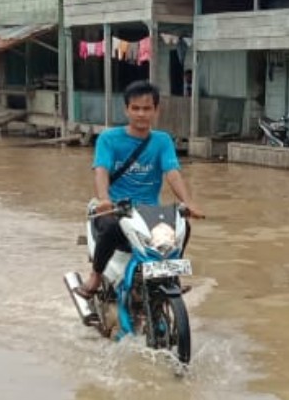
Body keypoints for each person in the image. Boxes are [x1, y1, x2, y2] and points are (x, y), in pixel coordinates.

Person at [74, 80, 204, 299]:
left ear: (156, 110)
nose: (141, 114)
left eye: (146, 108)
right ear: (126, 110)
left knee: (183, 227)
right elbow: (101, 170)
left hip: (148, 214)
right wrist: (104, 199)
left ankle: (170, 275)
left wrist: (188, 202)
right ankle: (96, 276)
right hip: (115, 209)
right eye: (135, 108)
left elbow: (172, 173)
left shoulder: (162, 141)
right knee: (111, 228)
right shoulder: (108, 138)